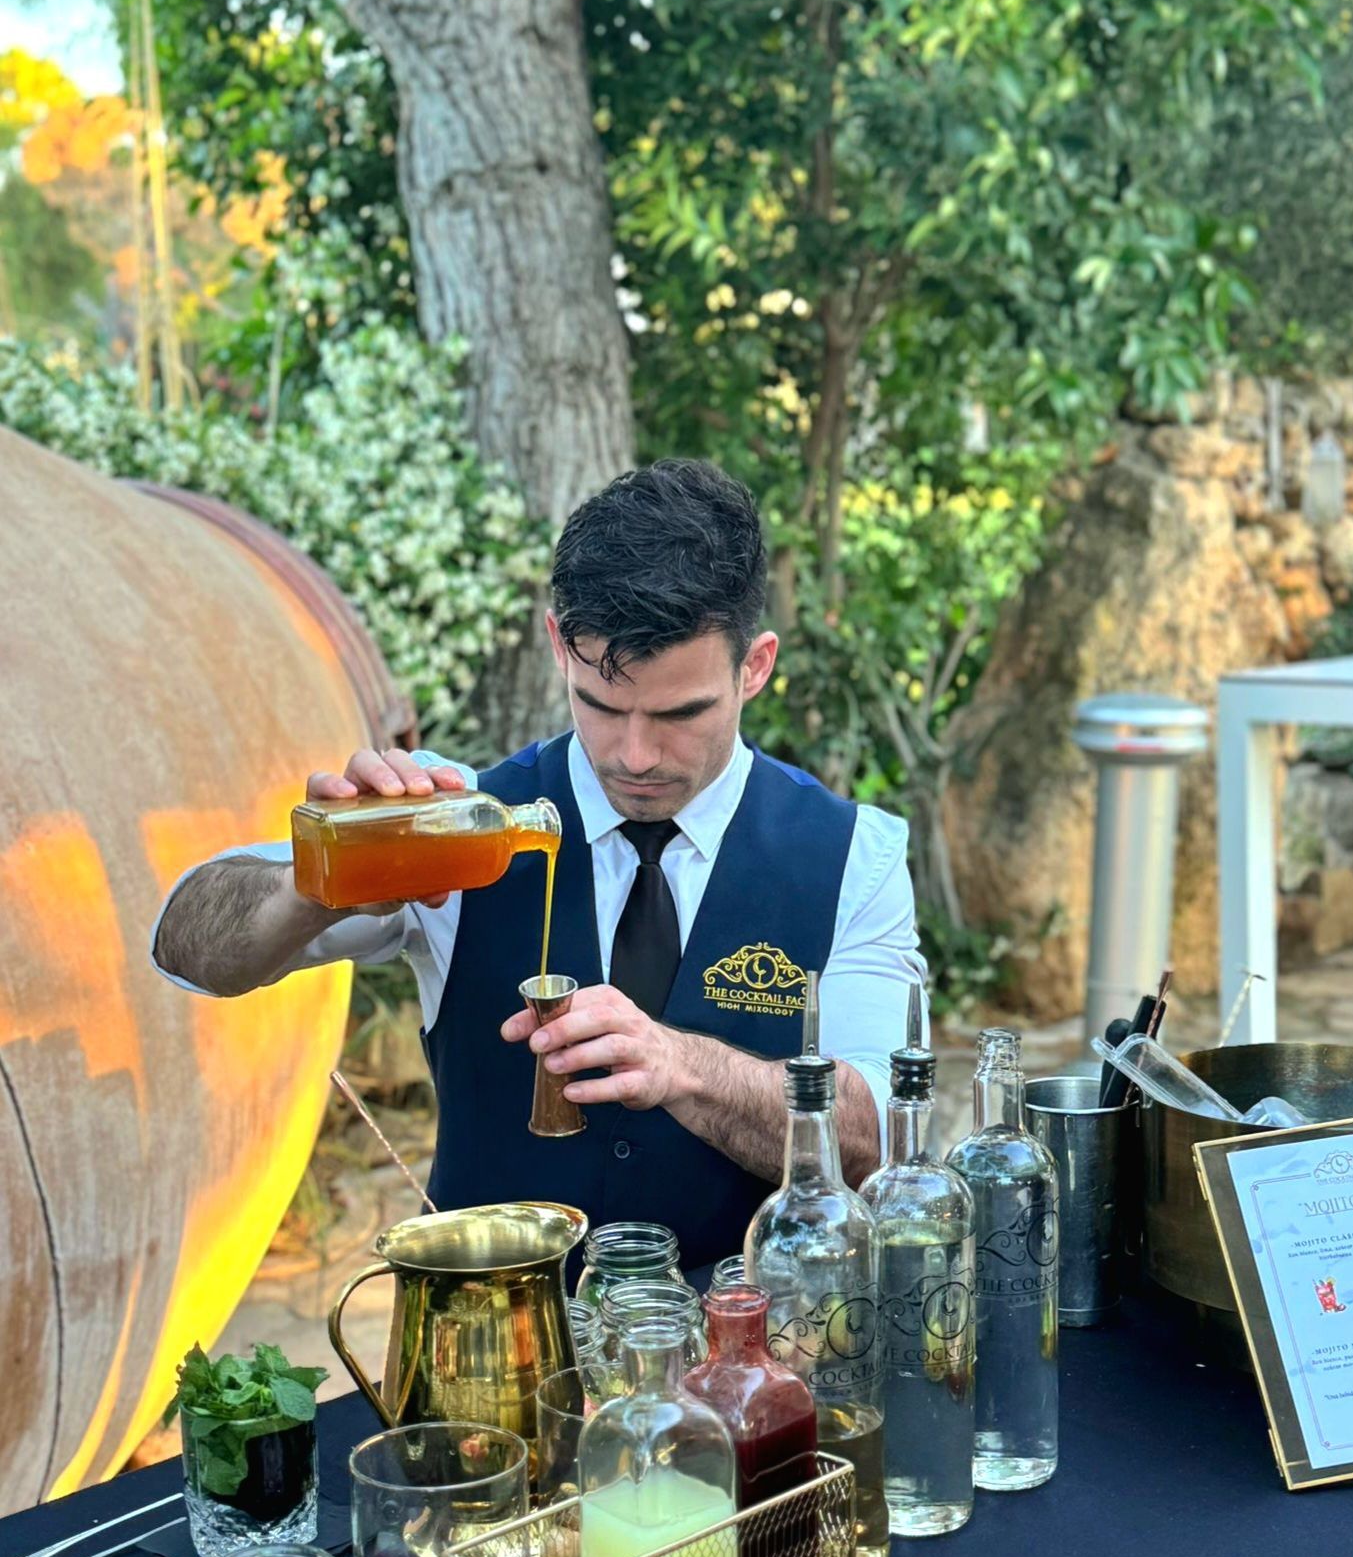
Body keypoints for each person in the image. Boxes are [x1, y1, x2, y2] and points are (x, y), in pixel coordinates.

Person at [152, 458, 925, 1266]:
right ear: (559, 646)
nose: (635, 755)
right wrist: (321, 882)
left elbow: (883, 1145)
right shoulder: (456, 823)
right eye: (600, 704)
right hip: (483, 1368)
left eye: (679, 714)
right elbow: (186, 951)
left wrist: (681, 1065)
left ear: (754, 666)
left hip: (757, 1368)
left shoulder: (853, 855)